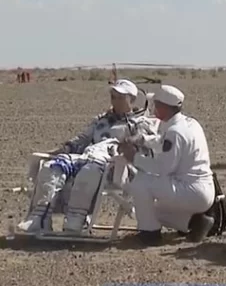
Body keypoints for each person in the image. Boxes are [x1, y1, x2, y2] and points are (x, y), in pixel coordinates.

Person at [18, 79, 158, 233]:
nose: (115, 100)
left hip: (116, 166)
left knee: (89, 170)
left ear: (131, 99)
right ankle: (40, 218)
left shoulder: (140, 122)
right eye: (113, 96)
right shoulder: (102, 120)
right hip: (90, 157)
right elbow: (81, 140)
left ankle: (75, 221)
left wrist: (128, 142)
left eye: (120, 97)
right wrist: (59, 150)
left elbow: (146, 142)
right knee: (52, 166)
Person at [119, 85, 215, 245]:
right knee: (150, 210)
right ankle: (195, 223)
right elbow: (162, 142)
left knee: (141, 183)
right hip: (199, 188)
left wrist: (134, 158)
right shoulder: (187, 123)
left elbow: (163, 169)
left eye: (156, 104)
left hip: (191, 190)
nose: (153, 108)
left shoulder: (175, 132)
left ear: (164, 107)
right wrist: (142, 139)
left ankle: (149, 235)